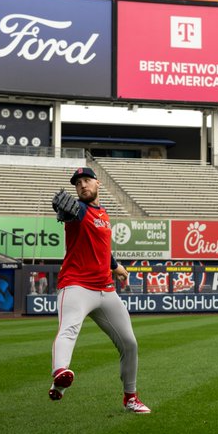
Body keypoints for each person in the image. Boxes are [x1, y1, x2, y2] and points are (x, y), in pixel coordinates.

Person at [49, 167, 151, 414]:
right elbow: (68, 211)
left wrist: (116, 267)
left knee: (129, 343)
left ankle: (130, 398)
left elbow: (103, 247)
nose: (82, 185)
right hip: (76, 286)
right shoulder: (79, 210)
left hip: (105, 290)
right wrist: (63, 210)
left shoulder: (102, 213)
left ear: (98, 184)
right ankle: (60, 373)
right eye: (78, 183)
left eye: (86, 180)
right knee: (69, 329)